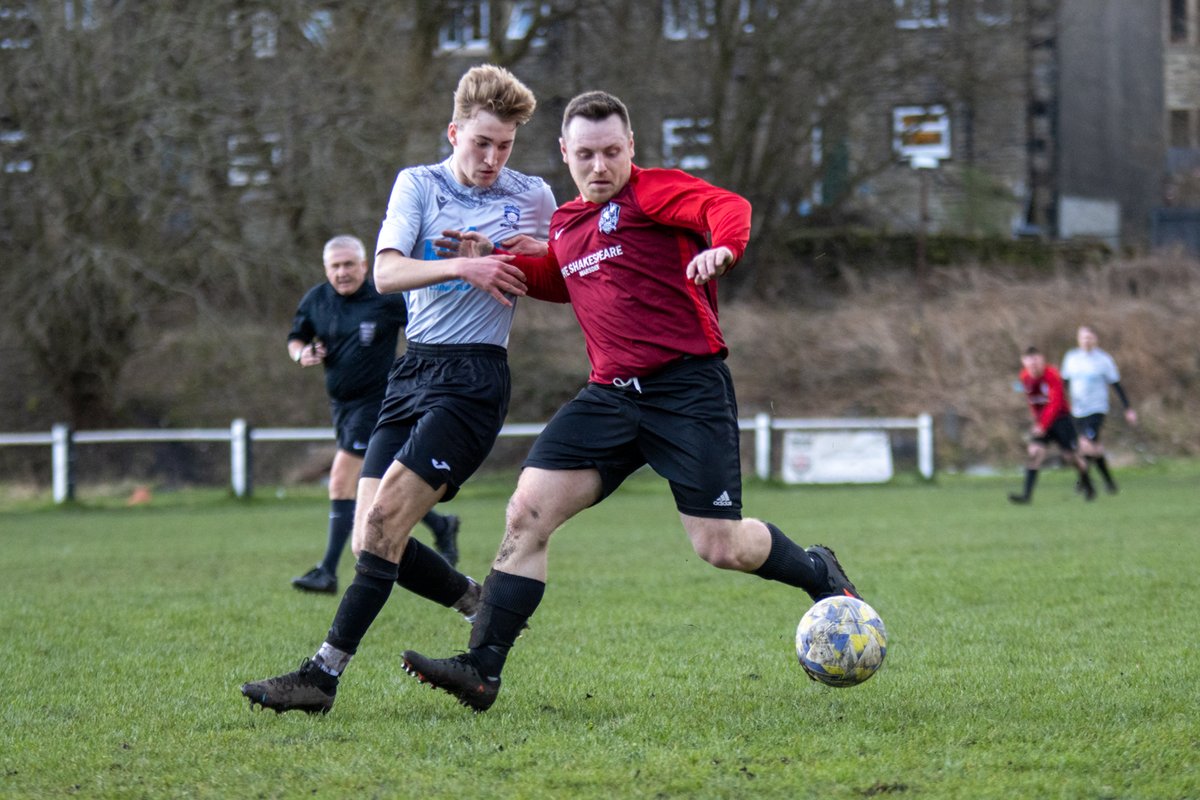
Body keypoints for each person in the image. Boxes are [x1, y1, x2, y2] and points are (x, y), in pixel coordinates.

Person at [399, 90, 863, 713]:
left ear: (631, 148)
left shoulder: (653, 192)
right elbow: (565, 280)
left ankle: (815, 570)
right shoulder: (565, 222)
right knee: (527, 513)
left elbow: (728, 206)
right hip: (610, 397)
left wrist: (723, 247)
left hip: (685, 390)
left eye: (612, 152)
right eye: (586, 154)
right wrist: (495, 258)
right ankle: (482, 670)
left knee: (718, 546)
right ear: (565, 152)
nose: (599, 166)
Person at [240, 64, 556, 715]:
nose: (493, 158)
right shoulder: (419, 183)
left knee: (385, 523)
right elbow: (384, 273)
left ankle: (321, 677)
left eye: (505, 145)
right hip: (411, 374)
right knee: (368, 537)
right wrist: (463, 262)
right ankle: (475, 597)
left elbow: (562, 275)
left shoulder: (534, 196)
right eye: (481, 143)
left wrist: (519, 257)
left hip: (472, 379)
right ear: (454, 131)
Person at [286, 234, 461, 595]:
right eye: (335, 266)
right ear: (326, 270)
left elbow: (426, 319)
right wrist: (301, 354)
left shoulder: (384, 299)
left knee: (340, 481)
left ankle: (327, 571)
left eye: (350, 264)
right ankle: (441, 525)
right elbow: (296, 336)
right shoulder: (316, 300)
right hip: (342, 407)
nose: (343, 272)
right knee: (379, 487)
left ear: (364, 266)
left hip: (379, 404)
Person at [1008, 346, 1096, 504]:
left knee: (1071, 457)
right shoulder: (1024, 377)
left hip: (1061, 420)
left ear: (1042, 360)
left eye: (1037, 362)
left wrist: (1042, 425)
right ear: (1024, 362)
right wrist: (1038, 422)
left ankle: (1088, 484)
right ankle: (1026, 496)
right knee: (1034, 453)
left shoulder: (1052, 375)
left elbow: (1054, 404)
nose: (1034, 367)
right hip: (1043, 422)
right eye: (1030, 364)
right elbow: (1033, 402)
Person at [1060, 325, 1137, 494]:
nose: (1086, 340)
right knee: (1093, 448)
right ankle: (1109, 483)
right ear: (1078, 339)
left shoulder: (1104, 360)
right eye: (1083, 337)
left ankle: (1084, 481)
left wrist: (1128, 408)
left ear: (1095, 339)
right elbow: (1063, 384)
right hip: (1077, 410)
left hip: (1096, 409)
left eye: (1089, 337)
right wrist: (1059, 405)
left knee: (1085, 445)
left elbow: (1116, 385)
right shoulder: (1071, 358)